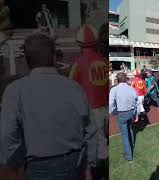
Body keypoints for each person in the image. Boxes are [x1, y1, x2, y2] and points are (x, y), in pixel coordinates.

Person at [0, 33, 97, 179]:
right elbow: (90, 130)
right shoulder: (74, 87)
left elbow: (7, 134)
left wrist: (16, 162)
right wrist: (89, 164)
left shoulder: (14, 90)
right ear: (53, 57)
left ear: (27, 60)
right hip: (73, 163)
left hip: (36, 165)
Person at [69, 24, 108, 180]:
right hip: (105, 107)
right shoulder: (105, 60)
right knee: (102, 142)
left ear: (79, 44)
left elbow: (71, 91)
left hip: (91, 110)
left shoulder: (77, 64)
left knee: (98, 148)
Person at [109, 72, 137, 162]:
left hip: (122, 113)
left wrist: (113, 111)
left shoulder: (114, 89)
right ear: (126, 79)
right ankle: (131, 144)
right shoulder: (131, 89)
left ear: (117, 80)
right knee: (130, 129)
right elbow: (136, 101)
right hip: (131, 112)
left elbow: (110, 103)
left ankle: (129, 157)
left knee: (124, 135)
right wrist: (135, 113)